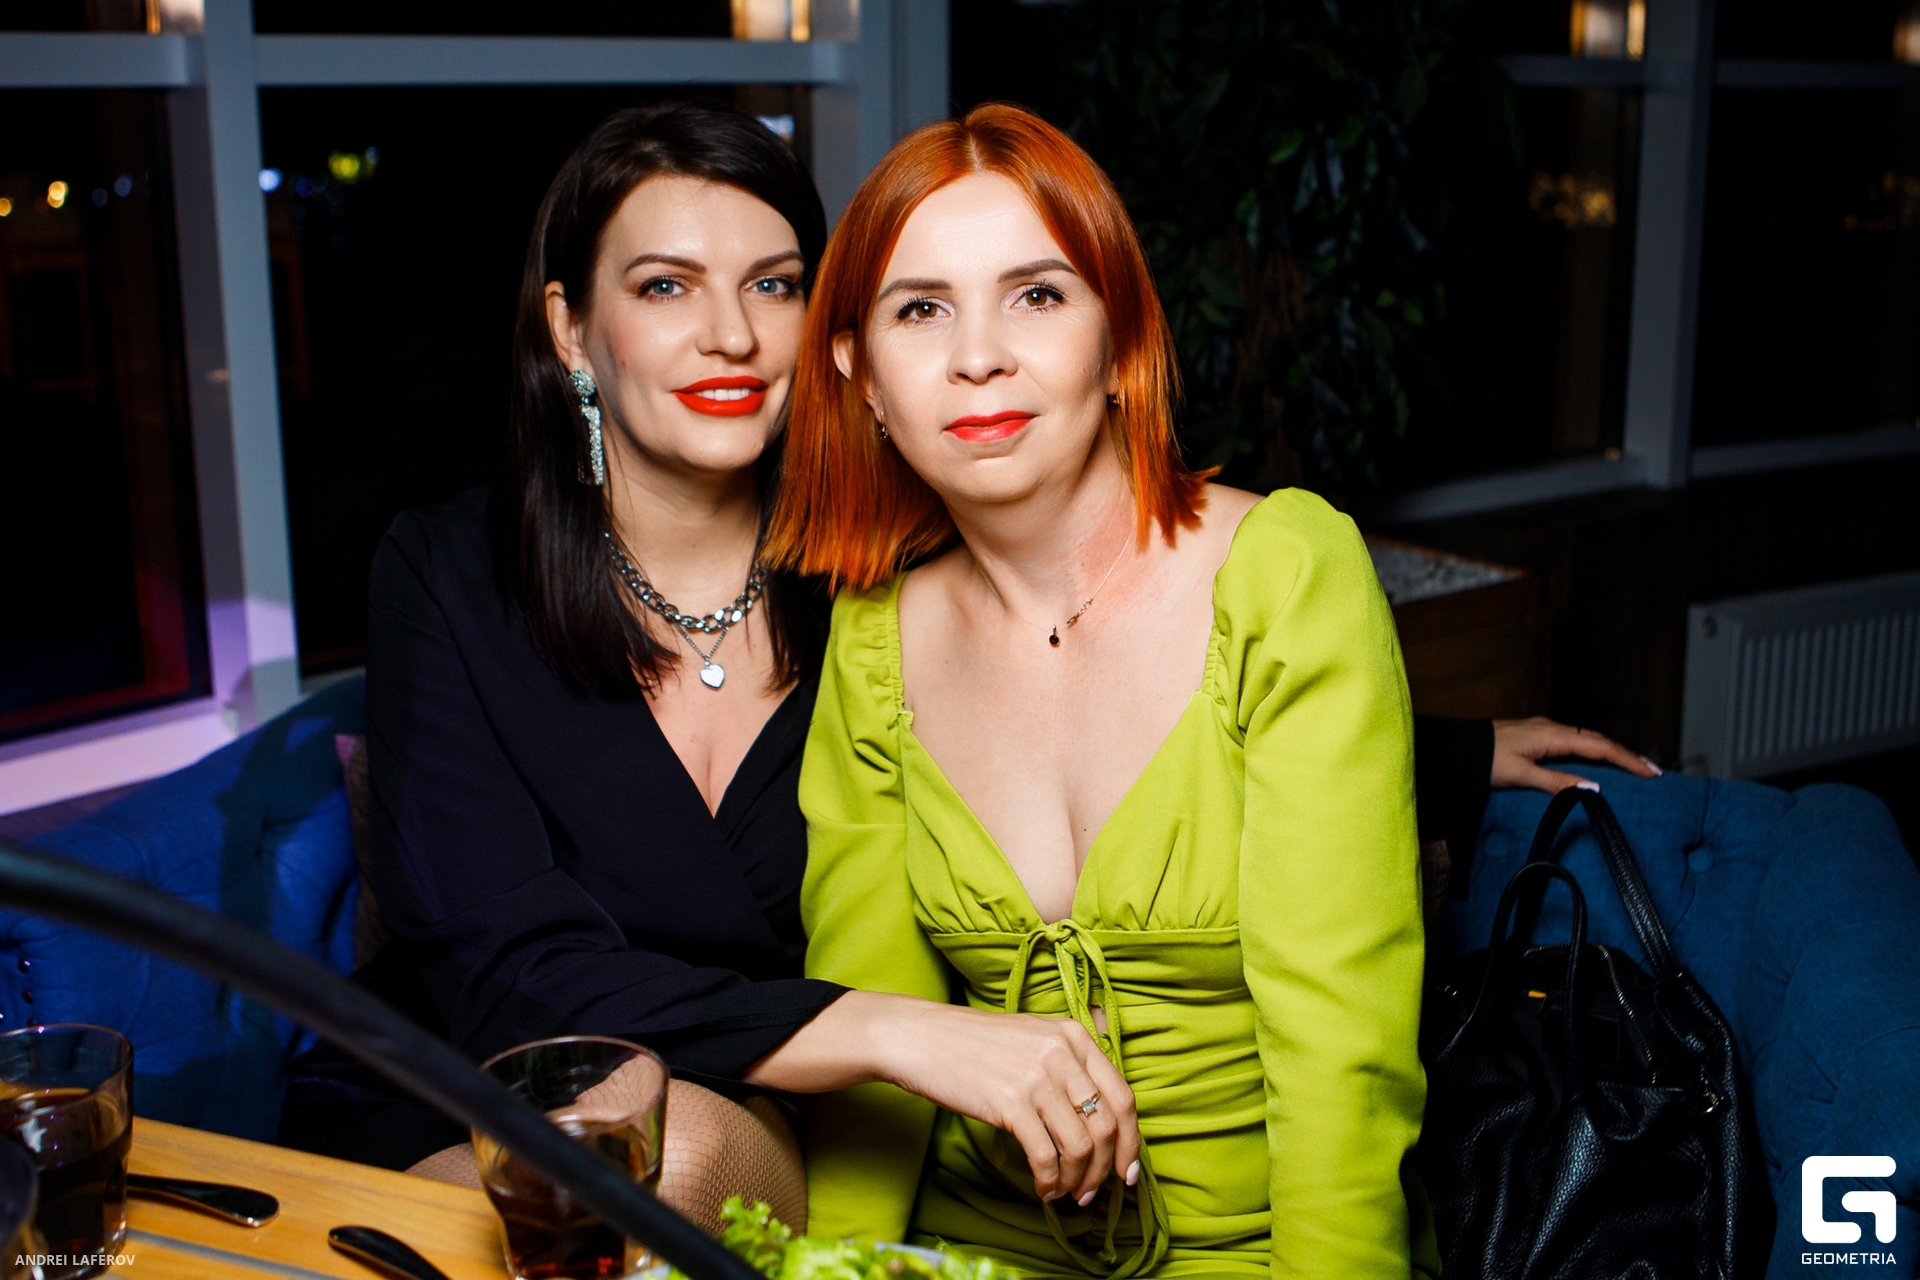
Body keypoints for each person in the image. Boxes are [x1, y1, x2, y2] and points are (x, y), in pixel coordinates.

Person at [746, 104, 1666, 1278]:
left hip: (1261, 1247)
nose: (978, 354)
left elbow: (1342, 1062)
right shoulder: (875, 635)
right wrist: (843, 1268)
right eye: (920, 309)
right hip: (968, 1241)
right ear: (860, 372)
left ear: (1119, 337)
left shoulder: (1285, 574)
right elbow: (875, 1048)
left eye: (1036, 295)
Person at [276, 100, 838, 1230]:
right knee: (566, 1192)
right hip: (456, 1086)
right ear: (572, 328)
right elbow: (502, 975)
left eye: (774, 285)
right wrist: (894, 1033)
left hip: (753, 1093)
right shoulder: (446, 573)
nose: (731, 335)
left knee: (643, 1171)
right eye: (666, 286)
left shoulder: (881, 587)